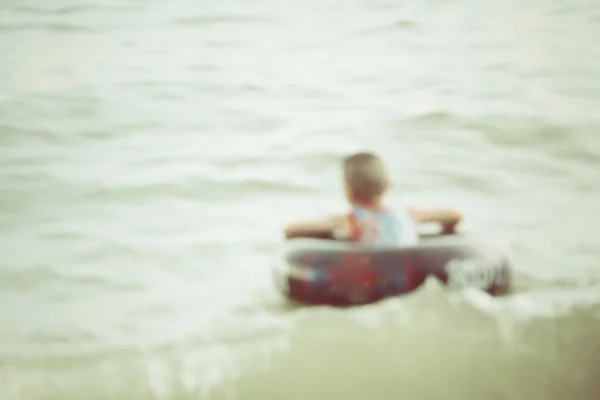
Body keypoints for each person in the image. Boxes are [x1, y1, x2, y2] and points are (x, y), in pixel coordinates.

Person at [283, 151, 462, 245]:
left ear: (349, 192)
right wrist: (447, 229)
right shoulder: (410, 213)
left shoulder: (350, 221)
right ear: (388, 184)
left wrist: (328, 234)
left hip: (372, 279)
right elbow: (455, 214)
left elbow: (291, 230)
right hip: (407, 272)